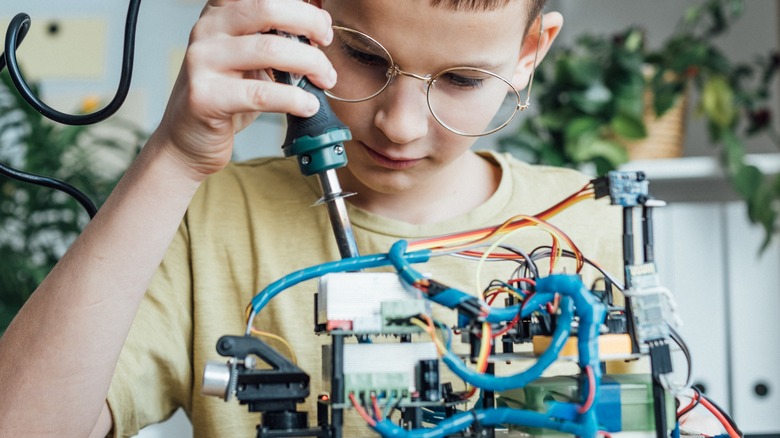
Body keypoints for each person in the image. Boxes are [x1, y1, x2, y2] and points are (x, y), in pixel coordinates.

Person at [0, 0, 625, 436]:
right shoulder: (206, 214)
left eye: (462, 78)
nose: (399, 125)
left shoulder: (583, 222)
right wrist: (175, 157)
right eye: (364, 55)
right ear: (302, 18)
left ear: (529, 52)